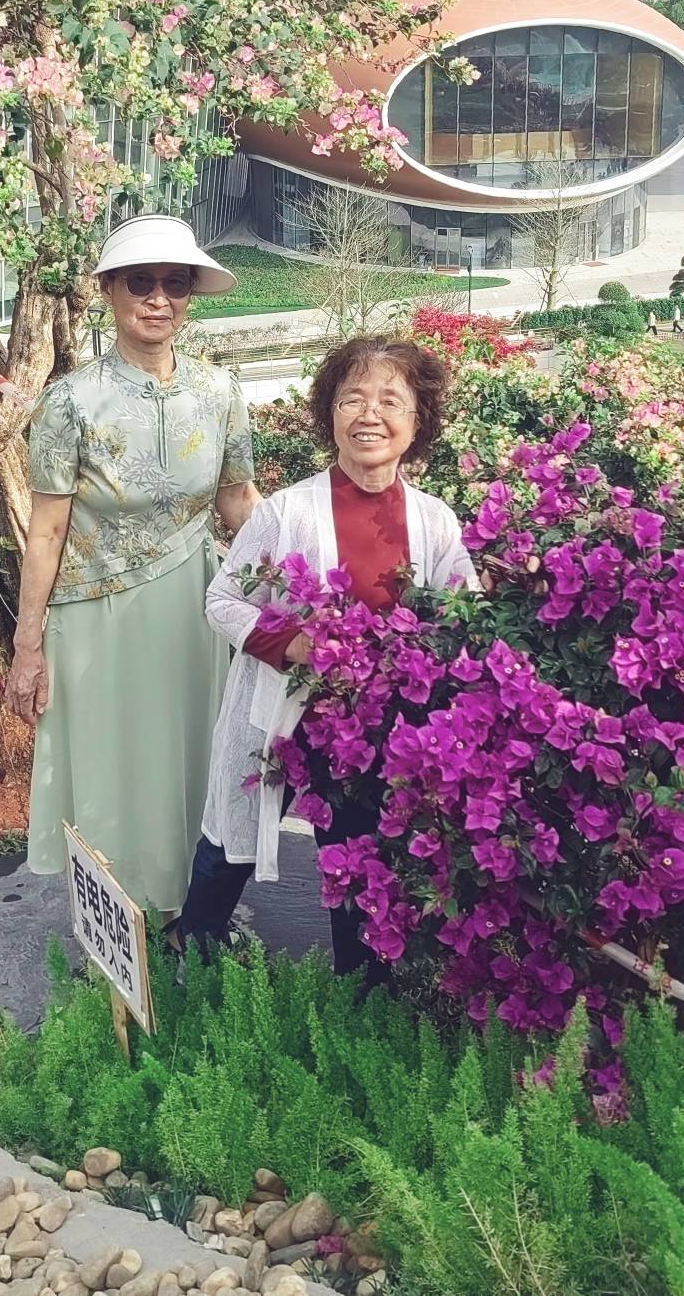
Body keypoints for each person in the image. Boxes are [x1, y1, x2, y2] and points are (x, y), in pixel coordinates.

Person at [177, 336, 478, 978]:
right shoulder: (287, 513)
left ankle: (360, 992)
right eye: (352, 399)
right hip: (281, 720)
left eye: (390, 401)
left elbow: (463, 615)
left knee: (357, 856)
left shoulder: (435, 523)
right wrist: (290, 643)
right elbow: (222, 599)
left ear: (417, 421)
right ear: (330, 413)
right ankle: (192, 958)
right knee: (232, 840)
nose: (370, 415)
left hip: (371, 738)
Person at [5, 215, 260, 917]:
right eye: (140, 282)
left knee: (187, 755)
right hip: (96, 614)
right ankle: (116, 923)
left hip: (192, 609)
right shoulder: (68, 401)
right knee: (111, 761)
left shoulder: (219, 393)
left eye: (174, 284)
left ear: (190, 295)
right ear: (110, 292)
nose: (158, 299)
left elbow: (239, 503)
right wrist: (27, 646)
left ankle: (186, 911)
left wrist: (301, 583)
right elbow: (47, 530)